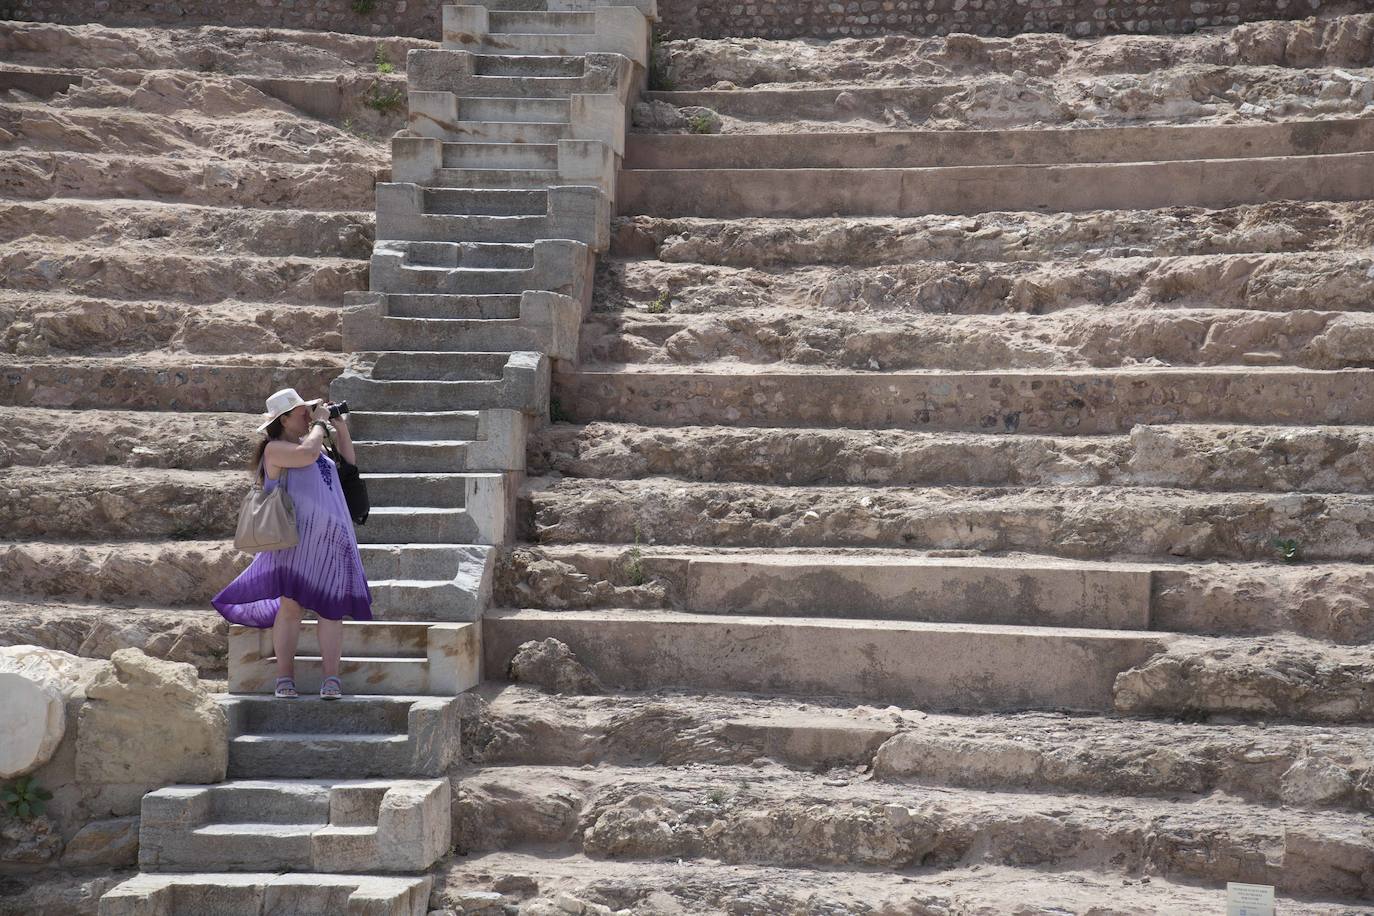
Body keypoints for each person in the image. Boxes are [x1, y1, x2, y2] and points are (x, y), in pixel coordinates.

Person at [213, 388, 372, 699]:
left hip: (329, 541)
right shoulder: (275, 450)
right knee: (290, 607)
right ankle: (284, 678)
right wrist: (320, 423)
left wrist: (339, 426)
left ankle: (332, 679)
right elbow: (307, 456)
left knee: (331, 610)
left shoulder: (314, 445)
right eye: (301, 412)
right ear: (283, 419)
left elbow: (347, 466)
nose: (308, 415)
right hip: (295, 540)